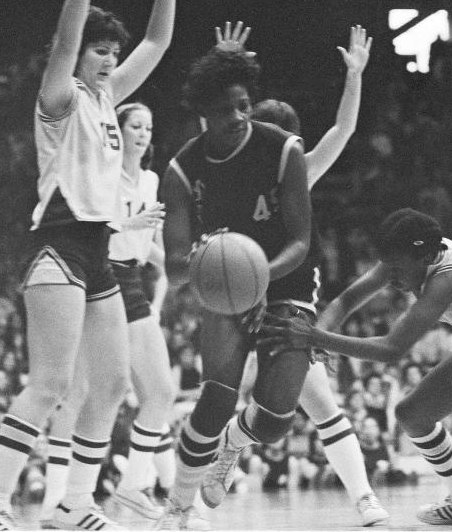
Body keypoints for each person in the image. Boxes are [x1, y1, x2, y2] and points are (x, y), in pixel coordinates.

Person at [0, 0, 188, 531]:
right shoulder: (60, 99)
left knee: (114, 385)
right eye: (101, 50)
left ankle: (75, 503)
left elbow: (158, 45)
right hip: (58, 248)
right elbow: (66, 42)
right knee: (49, 384)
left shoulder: (107, 98)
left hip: (100, 252)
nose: (108, 59)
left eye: (111, 53)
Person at [261, 208, 452, 530]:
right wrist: (318, 340)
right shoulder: (407, 254)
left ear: (424, 256)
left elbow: (392, 349)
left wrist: (314, 335)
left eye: (396, 269)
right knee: (412, 414)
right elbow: (346, 300)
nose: (392, 278)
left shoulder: (449, 277)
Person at [233, 23, 389, 526]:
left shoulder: (302, 174)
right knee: (277, 413)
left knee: (321, 408)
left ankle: (365, 499)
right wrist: (229, 67)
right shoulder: (230, 183)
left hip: (290, 310)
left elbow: (341, 131)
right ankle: (200, 476)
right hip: (245, 308)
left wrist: (355, 77)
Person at [156, 33, 313, 531]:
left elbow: (301, 241)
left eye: (245, 104)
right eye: (228, 109)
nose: (241, 115)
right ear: (204, 112)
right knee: (217, 397)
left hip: (286, 284)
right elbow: (175, 266)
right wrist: (207, 258)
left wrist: (258, 277)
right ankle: (178, 508)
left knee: (275, 419)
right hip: (223, 293)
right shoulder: (182, 171)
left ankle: (232, 446)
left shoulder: (284, 150)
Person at [38, 102, 175, 526]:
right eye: (135, 124)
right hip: (99, 274)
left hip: (130, 278)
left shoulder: (151, 181)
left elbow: (149, 247)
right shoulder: (103, 174)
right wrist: (132, 227)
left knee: (160, 393)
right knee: (77, 392)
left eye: (149, 126)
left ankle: (133, 485)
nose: (143, 133)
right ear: (117, 130)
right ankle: (57, 499)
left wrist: (182, 263)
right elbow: (93, 226)